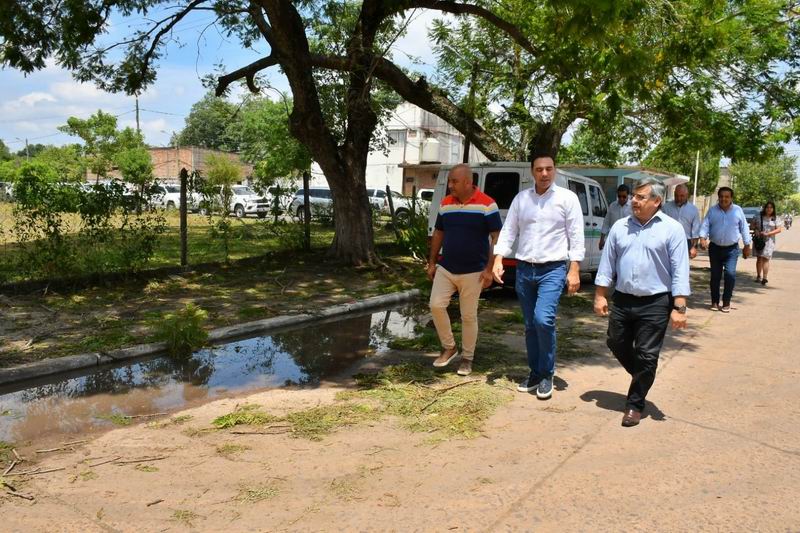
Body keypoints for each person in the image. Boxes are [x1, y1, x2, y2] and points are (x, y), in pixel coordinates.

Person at [594, 177, 690, 427]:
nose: (634, 201)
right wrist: (600, 294)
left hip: (656, 302)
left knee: (647, 355)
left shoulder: (672, 229)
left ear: (657, 201)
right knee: (615, 341)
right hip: (623, 299)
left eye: (640, 197)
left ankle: (635, 404)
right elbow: (607, 264)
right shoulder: (619, 227)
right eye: (634, 196)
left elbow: (680, 269)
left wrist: (679, 306)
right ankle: (643, 374)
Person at [491, 152, 585, 399]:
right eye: (540, 169)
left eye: (549, 169)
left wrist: (574, 269)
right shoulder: (522, 199)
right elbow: (509, 230)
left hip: (552, 269)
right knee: (530, 325)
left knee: (544, 320)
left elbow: (576, 235)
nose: (544, 173)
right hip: (524, 269)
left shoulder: (567, 199)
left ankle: (547, 374)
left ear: (554, 170)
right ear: (532, 171)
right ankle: (535, 372)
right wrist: (499, 258)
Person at [427, 164, 502, 376]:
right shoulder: (445, 203)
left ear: (468, 182)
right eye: (450, 181)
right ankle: (449, 347)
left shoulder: (488, 205)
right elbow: (439, 233)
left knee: (468, 316)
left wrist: (489, 269)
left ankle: (467, 358)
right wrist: (432, 262)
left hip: (473, 271)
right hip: (447, 267)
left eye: (454, 181)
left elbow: (496, 238)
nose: (450, 185)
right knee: (436, 305)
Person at [699, 187, 751, 313]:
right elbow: (705, 225)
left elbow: (744, 228)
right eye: (721, 196)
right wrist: (702, 238)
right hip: (715, 249)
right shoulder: (712, 211)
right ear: (718, 197)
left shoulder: (738, 211)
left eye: (727, 196)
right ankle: (715, 302)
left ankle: (726, 301)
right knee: (715, 276)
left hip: (732, 250)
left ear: (731, 198)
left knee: (730, 275)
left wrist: (747, 245)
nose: (724, 199)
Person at [661, 183, 701, 259]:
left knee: (682, 267)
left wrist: (694, 247)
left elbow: (695, 231)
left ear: (687, 195)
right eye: (676, 195)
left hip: (686, 242)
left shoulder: (693, 210)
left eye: (682, 196)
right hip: (668, 241)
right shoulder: (666, 208)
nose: (679, 198)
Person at [753, 200, 782, 285]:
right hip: (759, 240)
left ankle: (765, 278)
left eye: (771, 207)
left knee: (766, 259)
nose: (769, 209)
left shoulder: (776, 218)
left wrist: (768, 233)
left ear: (773, 209)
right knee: (759, 258)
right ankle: (758, 276)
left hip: (769, 241)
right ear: (765, 208)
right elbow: (752, 225)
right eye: (767, 207)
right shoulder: (758, 216)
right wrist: (756, 230)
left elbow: (779, 229)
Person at [599, 184, 632, 250]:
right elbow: (606, 223)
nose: (621, 199)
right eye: (619, 196)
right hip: (614, 240)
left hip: (628, 240)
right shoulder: (612, 206)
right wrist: (602, 239)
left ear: (628, 195)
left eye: (624, 196)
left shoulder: (633, 207)